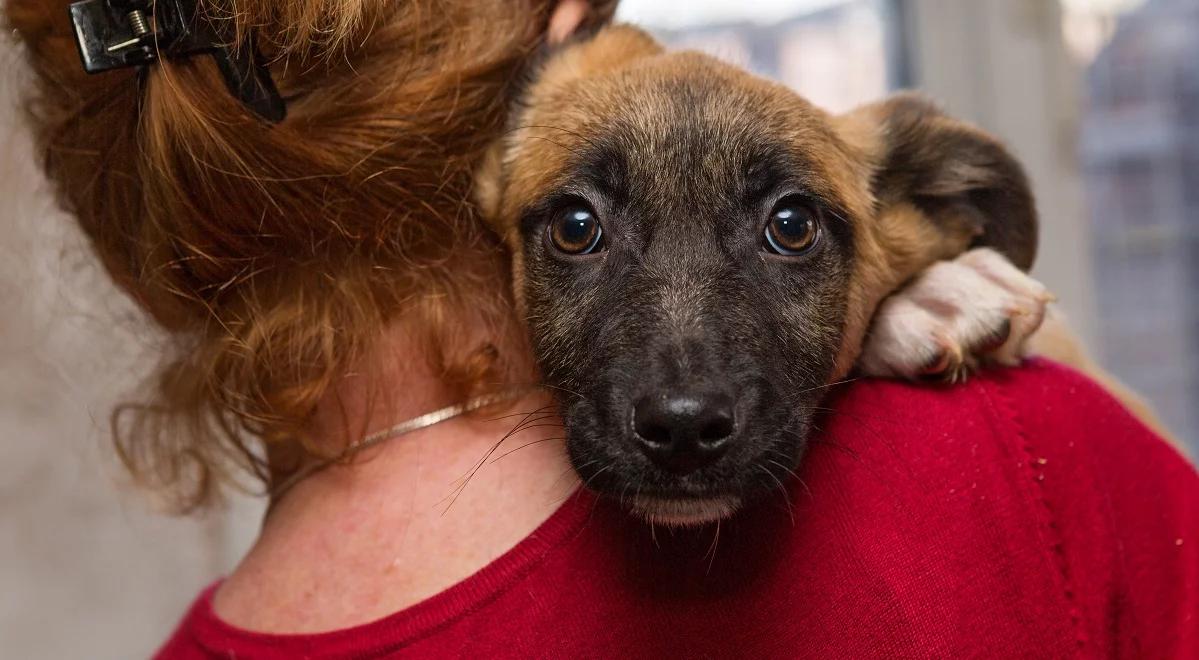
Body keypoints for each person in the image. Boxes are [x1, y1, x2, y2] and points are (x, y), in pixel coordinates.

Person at [7, 0, 1196, 657]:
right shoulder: (1017, 463)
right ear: (560, 28)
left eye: (789, 230)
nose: (679, 404)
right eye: (576, 229)